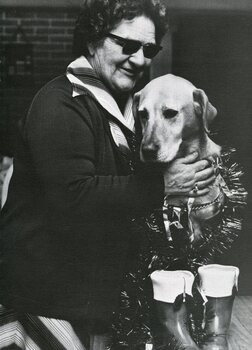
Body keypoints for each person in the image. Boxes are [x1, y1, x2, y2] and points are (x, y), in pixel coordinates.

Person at [0, 1, 215, 349]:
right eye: (127, 45)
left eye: (149, 49)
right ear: (92, 41)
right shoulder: (61, 102)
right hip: (38, 301)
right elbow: (73, 196)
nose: (140, 59)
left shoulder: (125, 110)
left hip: (89, 301)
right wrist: (164, 185)